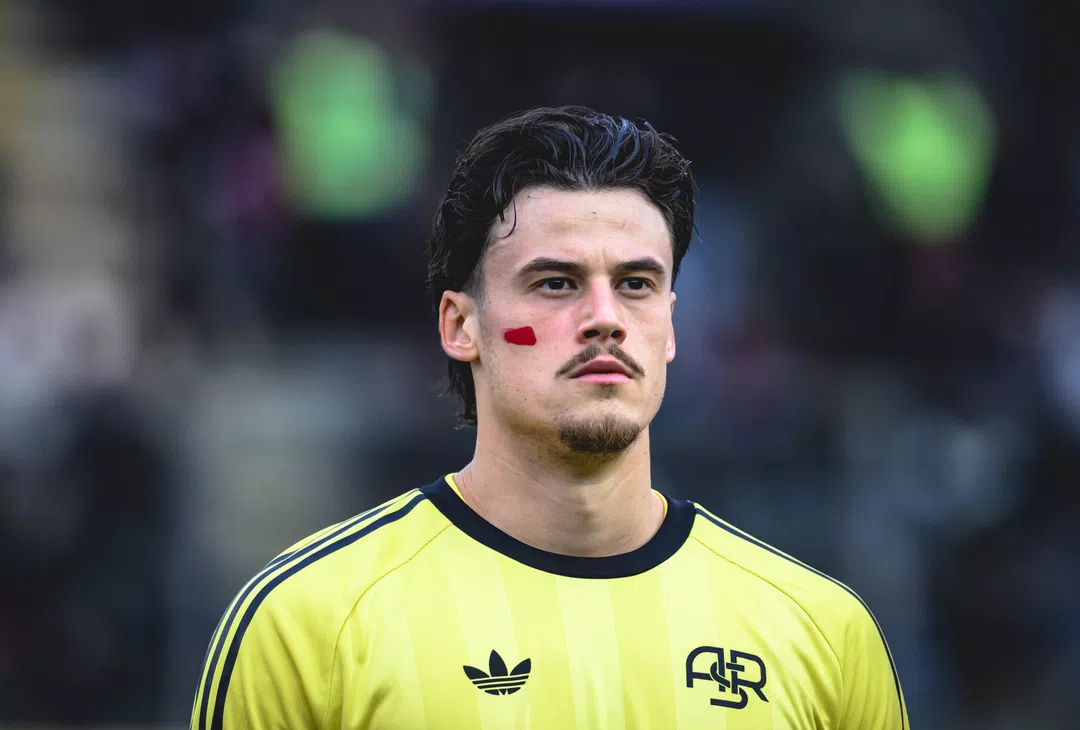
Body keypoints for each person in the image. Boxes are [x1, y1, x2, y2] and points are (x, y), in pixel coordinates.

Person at [190, 105, 908, 730]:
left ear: (670, 326)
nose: (605, 318)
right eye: (557, 283)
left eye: (635, 284)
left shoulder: (824, 632)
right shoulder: (307, 623)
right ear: (460, 326)